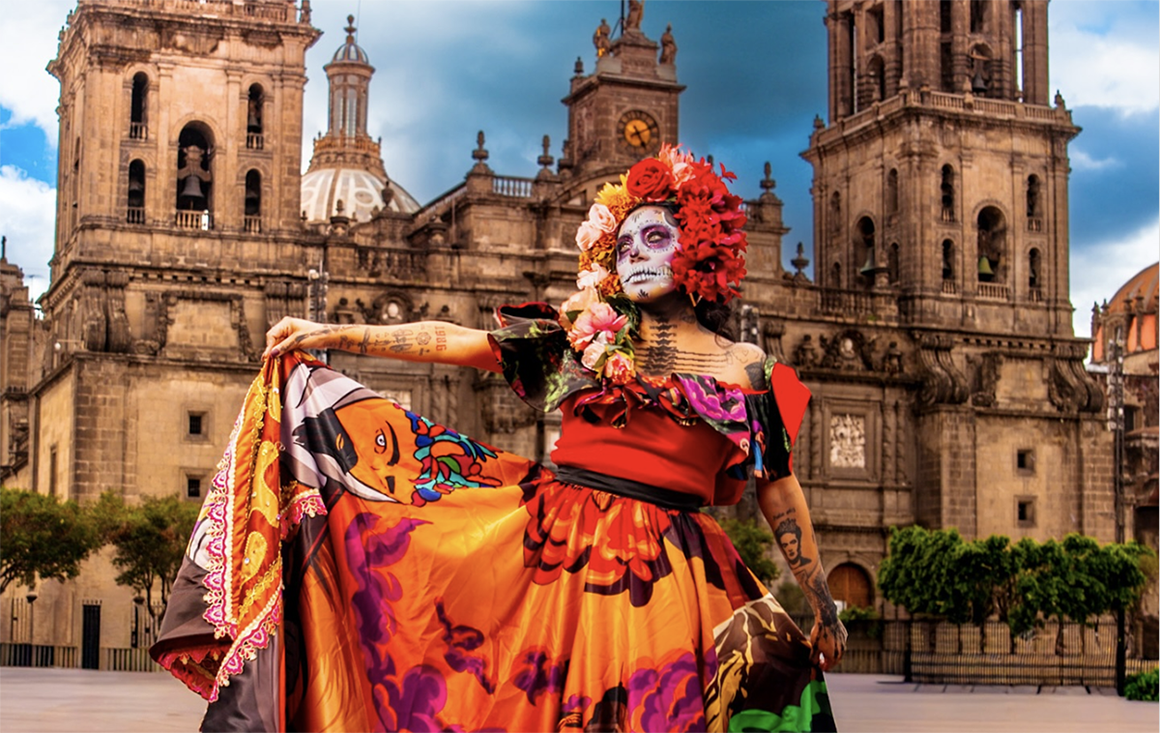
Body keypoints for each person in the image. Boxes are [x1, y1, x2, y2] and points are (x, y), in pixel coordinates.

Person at [152, 145, 845, 732]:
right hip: (558, 556)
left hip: (675, 575)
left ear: (700, 249)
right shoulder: (580, 340)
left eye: (657, 239)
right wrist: (332, 334)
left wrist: (819, 601)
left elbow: (777, 487)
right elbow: (454, 341)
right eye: (623, 242)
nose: (635, 257)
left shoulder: (744, 368)